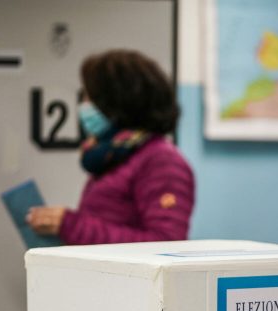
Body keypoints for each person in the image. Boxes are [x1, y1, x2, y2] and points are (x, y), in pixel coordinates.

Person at [27, 49, 194, 244]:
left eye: (90, 98)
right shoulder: (114, 156)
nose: (83, 106)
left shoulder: (161, 161)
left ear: (118, 102)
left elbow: (166, 244)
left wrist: (72, 226)